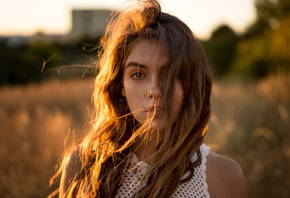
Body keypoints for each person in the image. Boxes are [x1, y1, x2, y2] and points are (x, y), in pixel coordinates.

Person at [51, 1, 247, 197]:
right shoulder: (82, 166)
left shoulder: (223, 176)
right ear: (120, 86)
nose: (155, 90)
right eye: (137, 74)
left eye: (170, 74)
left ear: (191, 83)